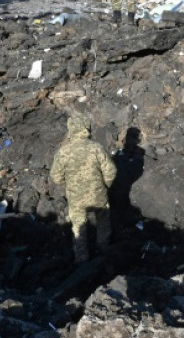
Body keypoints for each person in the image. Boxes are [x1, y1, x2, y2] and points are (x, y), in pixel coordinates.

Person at [50, 111, 117, 263]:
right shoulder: (96, 148)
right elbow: (111, 170)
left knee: (79, 226)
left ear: (71, 130)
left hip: (76, 197)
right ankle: (103, 249)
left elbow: (55, 176)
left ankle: (81, 258)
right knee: (103, 219)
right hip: (98, 194)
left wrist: (68, 187)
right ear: (87, 128)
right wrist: (105, 186)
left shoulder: (64, 152)